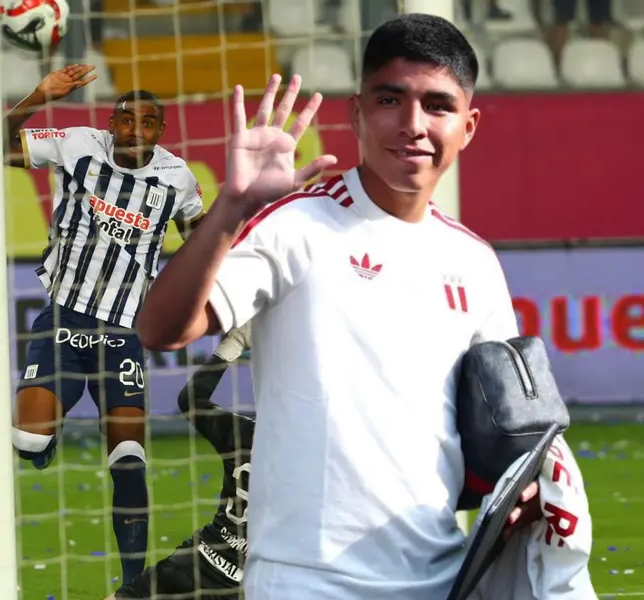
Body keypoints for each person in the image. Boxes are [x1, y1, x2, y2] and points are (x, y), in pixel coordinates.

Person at [135, 15, 543, 599]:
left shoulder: (474, 262)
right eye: (390, 99)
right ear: (356, 113)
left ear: (468, 125)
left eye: (437, 105)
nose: (412, 125)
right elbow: (161, 329)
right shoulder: (296, 224)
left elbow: (504, 428)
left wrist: (525, 486)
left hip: (441, 578)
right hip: (305, 583)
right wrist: (230, 208)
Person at [4, 65, 205, 583]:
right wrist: (38, 95)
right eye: (126, 118)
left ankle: (134, 584)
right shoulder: (75, 144)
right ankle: (44, 438)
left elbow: (200, 239)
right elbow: (0, 147)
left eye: (149, 122)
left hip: (123, 333)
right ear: (109, 123)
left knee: (130, 458)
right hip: (63, 322)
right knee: (26, 442)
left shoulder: (176, 177)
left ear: (161, 131)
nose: (136, 129)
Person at [111, 326, 253, 600]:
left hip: (195, 558)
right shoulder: (307, 461)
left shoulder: (243, 431)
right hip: (236, 585)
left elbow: (191, 399)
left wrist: (234, 343)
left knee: (129, 595)